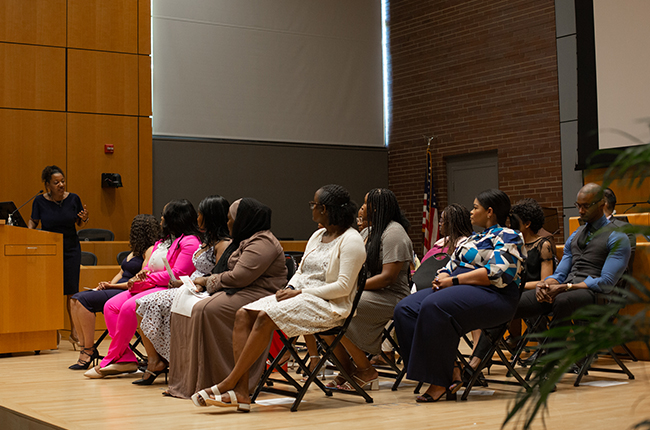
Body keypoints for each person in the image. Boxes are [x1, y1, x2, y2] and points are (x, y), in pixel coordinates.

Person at [190, 184, 366, 412]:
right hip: (301, 296)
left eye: (314, 204)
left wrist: (300, 292)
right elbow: (302, 271)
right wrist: (291, 286)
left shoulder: (351, 240)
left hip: (329, 306)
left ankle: (229, 382)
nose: (311, 209)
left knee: (264, 317)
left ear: (324, 209)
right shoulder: (317, 235)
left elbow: (343, 287)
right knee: (243, 314)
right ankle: (242, 392)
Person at [394, 189, 526, 403]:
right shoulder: (473, 238)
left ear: (490, 211)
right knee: (405, 309)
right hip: (457, 288)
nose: (471, 212)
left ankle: (440, 382)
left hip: (494, 294)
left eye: (475, 207)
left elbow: (499, 273)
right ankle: (451, 369)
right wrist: (444, 275)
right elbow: (451, 264)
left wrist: (454, 280)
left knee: (434, 305)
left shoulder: (508, 236)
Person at [166, 198, 288, 399]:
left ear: (244, 220)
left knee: (207, 309)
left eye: (231, 219)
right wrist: (206, 282)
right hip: (243, 290)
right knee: (191, 306)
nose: (228, 223)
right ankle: (192, 381)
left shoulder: (263, 241)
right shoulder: (246, 239)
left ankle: (224, 378)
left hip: (260, 294)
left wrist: (207, 282)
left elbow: (239, 276)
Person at [510, 183, 631, 361]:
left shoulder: (618, 237)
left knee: (562, 300)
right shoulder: (575, 235)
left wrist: (566, 287)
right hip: (567, 290)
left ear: (601, 204)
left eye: (585, 206)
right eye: (578, 206)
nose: (580, 211)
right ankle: (477, 363)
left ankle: (550, 364)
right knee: (511, 302)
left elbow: (605, 282)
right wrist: (546, 283)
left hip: (596, 295)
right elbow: (559, 274)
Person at [84, 199, 202, 378]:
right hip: (154, 283)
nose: (161, 218)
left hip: (169, 288)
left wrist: (149, 278)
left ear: (175, 218)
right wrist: (141, 276)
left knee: (128, 307)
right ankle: (125, 358)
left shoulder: (189, 241)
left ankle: (111, 358)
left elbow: (176, 274)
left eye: (165, 215)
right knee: (110, 306)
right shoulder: (168, 240)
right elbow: (151, 266)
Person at [133, 196, 231, 385]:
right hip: (189, 284)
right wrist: (182, 282)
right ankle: (159, 359)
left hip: (203, 290)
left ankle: (168, 360)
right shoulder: (207, 240)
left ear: (209, 217)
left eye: (200, 214)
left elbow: (217, 275)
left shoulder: (222, 243)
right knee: (142, 304)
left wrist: (194, 284)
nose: (197, 218)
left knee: (148, 303)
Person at [328, 188, 413, 390]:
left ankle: (367, 370)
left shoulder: (395, 233)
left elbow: (387, 278)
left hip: (392, 296)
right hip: (367, 292)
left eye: (366, 203)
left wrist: (352, 288)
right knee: (323, 308)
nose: (362, 207)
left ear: (377, 207)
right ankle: (347, 368)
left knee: (341, 310)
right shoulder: (367, 232)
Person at [470, 198, 557, 368]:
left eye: (514, 220)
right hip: (517, 290)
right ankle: (485, 353)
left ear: (527, 223)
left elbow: (545, 282)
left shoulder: (543, 245)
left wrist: (518, 286)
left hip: (535, 292)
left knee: (506, 305)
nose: (510, 224)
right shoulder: (514, 245)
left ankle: (481, 357)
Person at [68, 214, 160, 370]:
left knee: (83, 301)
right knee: (74, 299)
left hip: (129, 292)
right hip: (117, 289)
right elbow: (121, 273)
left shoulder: (150, 251)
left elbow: (138, 281)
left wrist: (112, 287)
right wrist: (107, 284)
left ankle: (89, 350)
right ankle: (84, 348)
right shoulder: (134, 251)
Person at [29, 165, 89, 345]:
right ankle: (52, 330)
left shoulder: (73, 199)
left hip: (70, 248)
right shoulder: (39, 201)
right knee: (51, 291)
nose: (61, 185)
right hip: (49, 251)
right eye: (56, 182)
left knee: (71, 292)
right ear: (48, 185)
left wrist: (85, 218)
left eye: (62, 181)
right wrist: (29, 236)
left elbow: (80, 223)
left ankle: (74, 331)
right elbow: (34, 221)